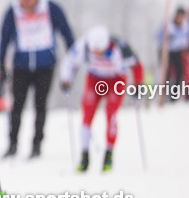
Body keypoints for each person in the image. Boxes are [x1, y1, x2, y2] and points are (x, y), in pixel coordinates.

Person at [0, 0, 75, 158]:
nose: (26, 1)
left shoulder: (50, 8)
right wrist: (1, 66)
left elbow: (66, 31)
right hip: (21, 66)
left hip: (45, 66)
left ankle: (37, 145)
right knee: (17, 106)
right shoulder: (12, 12)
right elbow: (4, 39)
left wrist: (72, 59)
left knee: (40, 106)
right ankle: (12, 144)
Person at [60, 25, 143, 172]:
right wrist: (66, 79)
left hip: (116, 80)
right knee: (87, 115)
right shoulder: (84, 45)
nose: (97, 54)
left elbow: (137, 65)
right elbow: (69, 61)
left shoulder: (120, 46)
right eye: (94, 52)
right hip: (95, 80)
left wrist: (137, 84)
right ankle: (84, 156)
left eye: (100, 51)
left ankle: (108, 155)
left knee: (111, 114)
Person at [155, 7, 188, 102]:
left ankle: (174, 96)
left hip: (178, 52)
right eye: (178, 16)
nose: (180, 19)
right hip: (166, 52)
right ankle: (164, 96)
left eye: (182, 17)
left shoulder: (185, 26)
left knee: (179, 73)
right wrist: (166, 39)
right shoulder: (168, 26)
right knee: (166, 74)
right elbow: (157, 37)